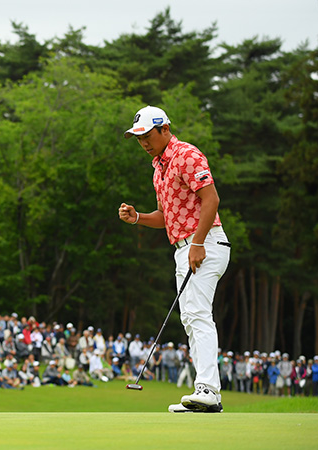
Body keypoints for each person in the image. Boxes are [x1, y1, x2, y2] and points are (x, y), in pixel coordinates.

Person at [119, 106, 231, 413]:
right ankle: (205, 393)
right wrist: (138, 218)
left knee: (197, 314)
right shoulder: (158, 168)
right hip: (185, 247)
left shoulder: (186, 155)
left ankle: (208, 389)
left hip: (205, 243)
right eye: (137, 137)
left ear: (164, 129)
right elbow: (166, 217)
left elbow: (212, 199)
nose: (142, 142)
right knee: (190, 319)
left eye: (146, 135)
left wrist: (196, 243)